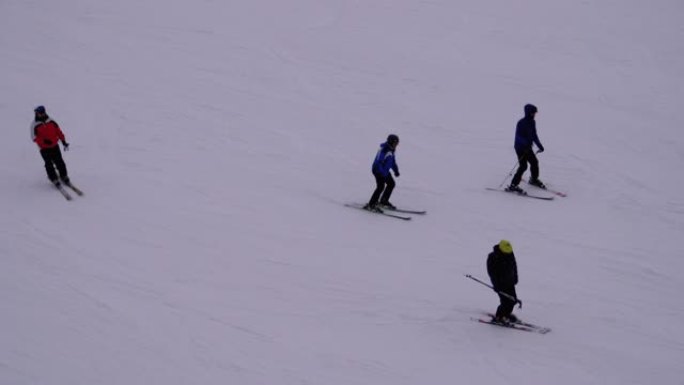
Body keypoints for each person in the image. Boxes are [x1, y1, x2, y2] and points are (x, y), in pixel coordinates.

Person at [507, 104, 545, 193]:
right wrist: (525, 144)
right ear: (529, 113)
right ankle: (513, 185)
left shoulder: (532, 122)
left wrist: (540, 145)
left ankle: (533, 180)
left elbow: (534, 135)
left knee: (534, 162)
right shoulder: (521, 123)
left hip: (527, 147)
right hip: (520, 148)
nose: (535, 114)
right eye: (533, 113)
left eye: (535, 113)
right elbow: (518, 137)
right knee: (523, 166)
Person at [31, 106, 71, 186]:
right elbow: (34, 138)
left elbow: (58, 131)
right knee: (48, 163)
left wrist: (63, 141)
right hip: (44, 148)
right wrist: (44, 141)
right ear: (36, 114)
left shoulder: (51, 121)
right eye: (39, 113)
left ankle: (64, 176)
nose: (41, 114)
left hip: (54, 146)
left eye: (43, 112)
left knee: (59, 161)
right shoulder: (34, 125)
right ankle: (53, 178)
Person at [364, 134, 400, 211]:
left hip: (385, 171)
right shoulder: (384, 149)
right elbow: (378, 162)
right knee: (380, 187)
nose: (396, 145)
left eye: (397, 144)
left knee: (391, 184)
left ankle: (383, 201)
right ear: (391, 142)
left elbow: (392, 162)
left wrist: (396, 171)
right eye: (395, 143)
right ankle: (371, 204)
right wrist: (382, 173)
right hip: (378, 170)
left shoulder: (391, 150)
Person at [486, 240, 519, 323]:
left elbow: (514, 266)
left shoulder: (510, 253)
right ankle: (499, 316)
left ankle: (506, 314)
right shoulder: (493, 257)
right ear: (501, 249)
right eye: (506, 252)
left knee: (513, 300)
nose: (508, 254)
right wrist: (496, 285)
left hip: (510, 282)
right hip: (500, 284)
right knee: (505, 301)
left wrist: (515, 277)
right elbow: (492, 273)